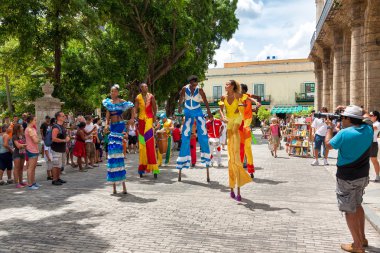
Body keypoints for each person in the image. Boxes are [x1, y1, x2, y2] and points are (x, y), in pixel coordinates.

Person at [325, 105, 372, 253]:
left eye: (343, 117)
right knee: (358, 205)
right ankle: (363, 239)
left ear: (348, 119)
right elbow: (366, 117)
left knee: (349, 210)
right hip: (362, 175)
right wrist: (352, 109)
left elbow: (328, 145)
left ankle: (357, 245)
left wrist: (329, 128)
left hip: (347, 177)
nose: (341, 119)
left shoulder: (344, 133)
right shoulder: (368, 129)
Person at [219, 80, 252, 201]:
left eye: (227, 84)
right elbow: (221, 109)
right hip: (228, 120)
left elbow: (248, 98)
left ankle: (238, 190)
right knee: (230, 160)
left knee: (236, 158)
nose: (225, 85)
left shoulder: (238, 95)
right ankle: (232, 188)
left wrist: (256, 103)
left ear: (232, 86)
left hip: (237, 119)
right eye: (225, 84)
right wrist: (222, 117)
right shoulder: (223, 97)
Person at [177, 75, 212, 182]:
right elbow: (181, 98)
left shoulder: (199, 90)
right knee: (185, 135)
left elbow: (205, 101)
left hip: (198, 111)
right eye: (194, 83)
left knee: (203, 134)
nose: (195, 84)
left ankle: (206, 158)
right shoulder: (185, 88)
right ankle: (183, 160)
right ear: (190, 82)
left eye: (196, 83)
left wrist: (209, 112)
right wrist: (179, 106)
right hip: (187, 112)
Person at [103, 84, 134, 194]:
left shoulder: (122, 101)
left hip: (120, 126)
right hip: (112, 127)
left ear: (118, 92)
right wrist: (106, 125)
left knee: (119, 154)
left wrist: (132, 118)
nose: (113, 93)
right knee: (112, 155)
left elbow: (132, 106)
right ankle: (114, 187)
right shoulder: (108, 103)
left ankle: (124, 186)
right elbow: (107, 117)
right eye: (111, 91)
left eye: (115, 91)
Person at [133, 83, 159, 178]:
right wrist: (134, 115)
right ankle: (142, 167)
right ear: (141, 88)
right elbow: (135, 108)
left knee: (150, 145)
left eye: (147, 86)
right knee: (142, 145)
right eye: (144, 87)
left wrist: (155, 117)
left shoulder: (151, 96)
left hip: (149, 120)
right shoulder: (138, 97)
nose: (146, 88)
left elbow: (155, 107)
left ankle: (154, 168)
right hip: (141, 122)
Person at [240, 83, 260, 177]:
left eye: (240, 89)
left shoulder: (247, 96)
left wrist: (256, 106)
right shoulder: (237, 97)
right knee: (241, 148)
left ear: (244, 90)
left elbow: (256, 98)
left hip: (246, 124)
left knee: (247, 148)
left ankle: (250, 170)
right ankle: (242, 168)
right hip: (239, 124)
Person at [51, 111, 69, 186]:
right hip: (56, 149)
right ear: (58, 117)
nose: (64, 117)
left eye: (64, 116)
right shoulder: (56, 127)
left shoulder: (62, 126)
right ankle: (54, 179)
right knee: (56, 165)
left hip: (61, 148)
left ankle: (58, 178)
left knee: (59, 165)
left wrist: (66, 145)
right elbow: (53, 138)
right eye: (62, 116)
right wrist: (64, 140)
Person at [25, 115, 40, 190]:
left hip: (35, 149)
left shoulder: (32, 129)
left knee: (33, 167)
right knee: (31, 168)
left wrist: (38, 139)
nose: (36, 121)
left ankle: (33, 182)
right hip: (31, 150)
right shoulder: (29, 129)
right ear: (31, 121)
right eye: (35, 120)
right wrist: (38, 139)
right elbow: (36, 140)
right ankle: (30, 184)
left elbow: (36, 139)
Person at [12, 124, 27, 188]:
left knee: (21, 168)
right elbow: (18, 146)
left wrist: (23, 145)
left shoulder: (23, 135)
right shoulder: (14, 136)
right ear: (18, 129)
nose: (23, 128)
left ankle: (21, 181)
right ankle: (16, 183)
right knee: (16, 168)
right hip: (17, 153)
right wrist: (25, 145)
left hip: (23, 153)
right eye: (21, 127)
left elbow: (23, 144)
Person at [369, 111, 380, 182]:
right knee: (366, 160)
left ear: (375, 116)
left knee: (374, 160)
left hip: (373, 143)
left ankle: (377, 176)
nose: (370, 116)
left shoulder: (377, 124)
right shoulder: (372, 123)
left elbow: (374, 128)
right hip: (367, 143)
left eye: (371, 115)